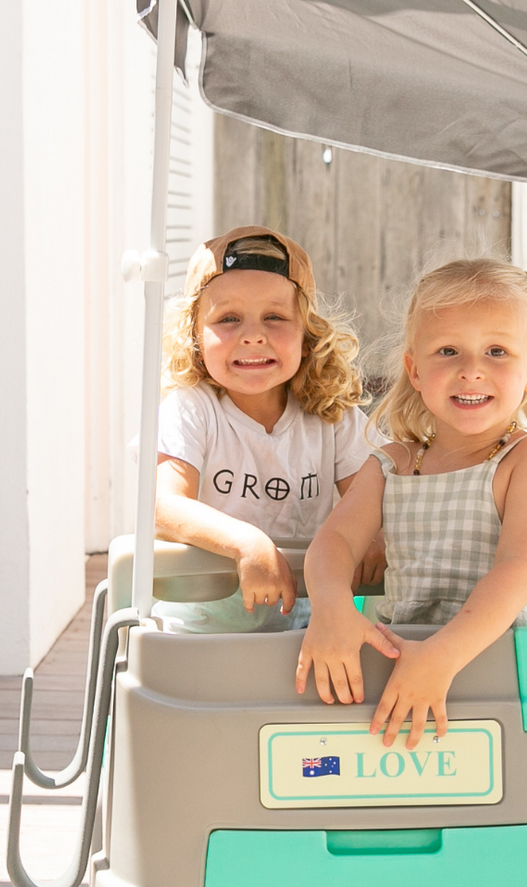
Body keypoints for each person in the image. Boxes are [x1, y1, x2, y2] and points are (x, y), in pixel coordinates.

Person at [295, 258, 527, 748]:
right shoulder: (392, 465)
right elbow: (333, 541)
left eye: (497, 351)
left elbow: (520, 568)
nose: (472, 371)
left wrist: (441, 657)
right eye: (448, 351)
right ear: (415, 369)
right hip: (400, 678)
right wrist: (331, 607)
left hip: (506, 680)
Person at [153, 225, 383, 634]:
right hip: (198, 631)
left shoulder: (333, 417)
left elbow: (376, 496)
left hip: (303, 631)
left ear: (307, 333)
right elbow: (162, 506)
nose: (253, 335)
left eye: (274, 317)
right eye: (228, 319)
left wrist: (378, 532)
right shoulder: (192, 410)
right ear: (194, 335)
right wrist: (247, 543)